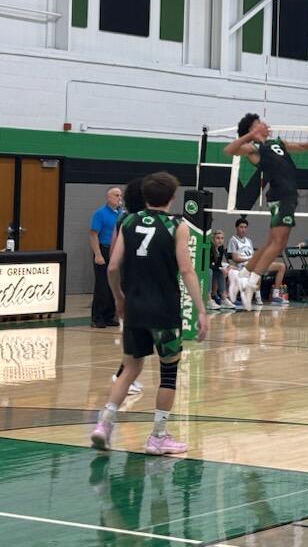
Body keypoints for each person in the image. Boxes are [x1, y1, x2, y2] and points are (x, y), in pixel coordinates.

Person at [89, 172, 209, 455]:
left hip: (134, 306)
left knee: (129, 369)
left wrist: (119, 297)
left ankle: (104, 425)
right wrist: (201, 309)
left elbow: (113, 267)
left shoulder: (127, 221)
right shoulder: (178, 226)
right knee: (168, 372)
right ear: (172, 197)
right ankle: (157, 437)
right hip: (164, 309)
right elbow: (186, 269)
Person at [223, 113, 308, 303]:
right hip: (280, 195)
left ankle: (243, 273)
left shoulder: (277, 143)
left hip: (289, 196)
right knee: (277, 244)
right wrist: (249, 136)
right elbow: (230, 150)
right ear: (253, 129)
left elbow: (301, 146)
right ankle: (251, 281)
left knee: (273, 243)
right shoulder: (254, 148)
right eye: (259, 124)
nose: (265, 125)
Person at [109, 178, 145, 395]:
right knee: (133, 334)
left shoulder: (123, 218)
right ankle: (122, 375)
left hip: (127, 278)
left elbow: (114, 250)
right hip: (134, 281)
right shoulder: (136, 220)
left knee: (134, 334)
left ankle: (125, 374)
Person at [226, 218, 287, 309]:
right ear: (236, 228)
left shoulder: (248, 240)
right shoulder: (233, 240)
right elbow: (235, 258)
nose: (243, 229)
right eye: (241, 227)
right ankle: (258, 297)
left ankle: (275, 295)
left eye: (245, 227)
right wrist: (249, 259)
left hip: (254, 262)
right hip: (244, 266)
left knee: (281, 266)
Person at [89, 186, 123, 328]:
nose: (119, 198)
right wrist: (98, 254)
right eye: (116, 195)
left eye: (120, 195)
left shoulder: (122, 214)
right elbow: (93, 234)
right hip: (104, 249)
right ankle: (98, 317)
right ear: (108, 197)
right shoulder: (100, 213)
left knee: (113, 285)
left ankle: (109, 316)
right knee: (102, 285)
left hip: (116, 251)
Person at [208, 230, 232, 310]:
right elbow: (208, 264)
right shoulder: (210, 247)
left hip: (213, 268)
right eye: (217, 238)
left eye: (222, 238)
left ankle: (224, 298)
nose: (220, 240)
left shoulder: (221, 248)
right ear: (213, 239)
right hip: (205, 269)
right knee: (210, 272)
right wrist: (219, 268)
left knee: (221, 272)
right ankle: (208, 299)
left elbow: (218, 264)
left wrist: (222, 268)